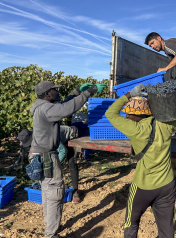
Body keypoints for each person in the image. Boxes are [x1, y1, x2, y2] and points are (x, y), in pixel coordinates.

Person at [105, 84, 176, 238]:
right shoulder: (164, 125)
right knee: (166, 231)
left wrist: (129, 95)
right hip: (166, 185)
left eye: (129, 114)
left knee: (131, 223)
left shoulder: (135, 129)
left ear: (137, 115)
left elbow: (110, 113)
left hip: (143, 186)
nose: (127, 116)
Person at [28, 81, 106, 238]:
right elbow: (67, 108)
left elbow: (62, 105)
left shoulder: (41, 106)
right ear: (47, 94)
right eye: (54, 90)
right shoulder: (46, 108)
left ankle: (51, 226)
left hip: (38, 155)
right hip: (47, 158)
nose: (57, 92)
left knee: (47, 192)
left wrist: (76, 92)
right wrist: (89, 92)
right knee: (55, 193)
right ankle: (51, 234)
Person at [17, 126, 83, 203]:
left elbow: (63, 151)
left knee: (71, 162)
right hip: (58, 140)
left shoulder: (46, 136)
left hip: (70, 135)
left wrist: (53, 166)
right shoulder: (36, 139)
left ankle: (75, 192)